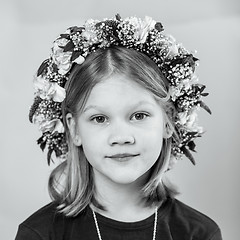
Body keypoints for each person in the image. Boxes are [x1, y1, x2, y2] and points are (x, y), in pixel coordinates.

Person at [15, 14, 222, 240]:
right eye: (100, 119)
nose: (121, 137)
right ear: (74, 130)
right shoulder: (40, 234)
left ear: (167, 122)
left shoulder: (199, 234)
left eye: (139, 115)